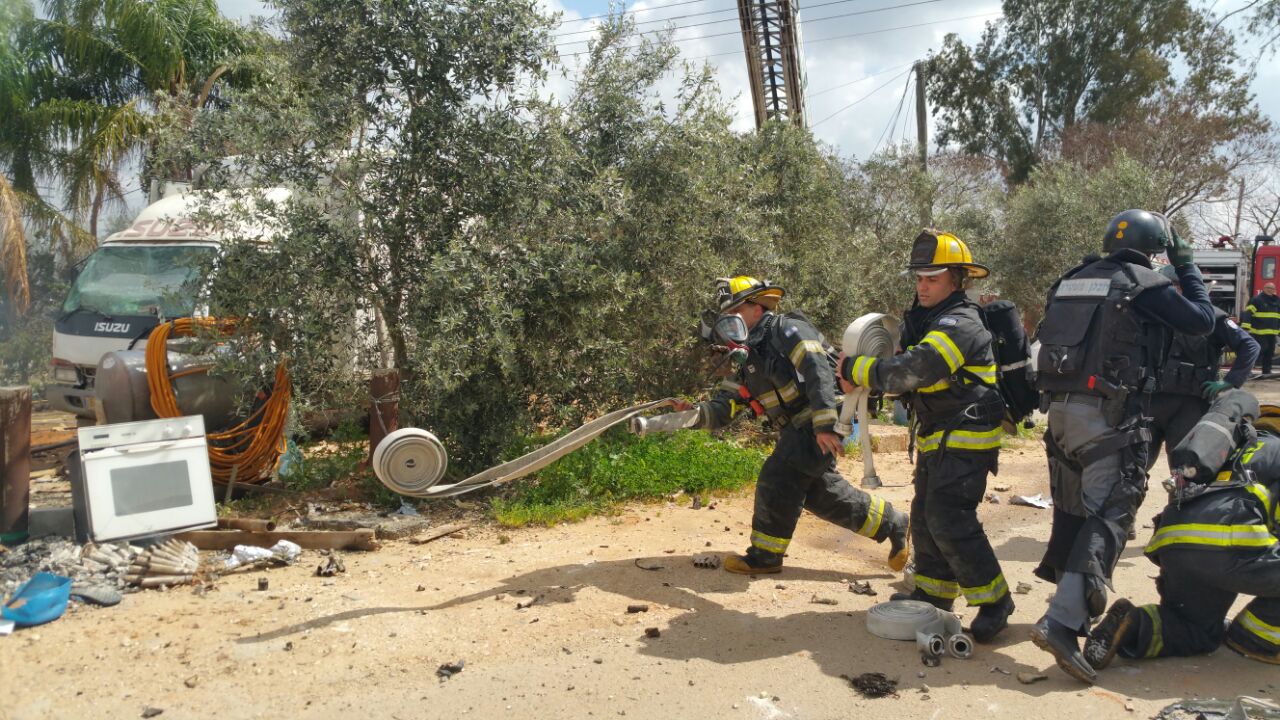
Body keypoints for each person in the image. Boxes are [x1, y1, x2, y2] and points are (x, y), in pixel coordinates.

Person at [1031, 209, 1216, 683]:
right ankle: (1063, 620)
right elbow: (1200, 321)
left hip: (1059, 417)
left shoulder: (1072, 279)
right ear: (1155, 251)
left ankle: (1061, 592)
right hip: (1106, 420)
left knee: (1073, 510)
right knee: (1111, 514)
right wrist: (1188, 264)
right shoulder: (1142, 282)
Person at [837, 230, 1014, 643]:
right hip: (940, 435)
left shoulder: (960, 323)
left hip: (967, 437)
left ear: (957, 279)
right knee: (925, 516)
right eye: (919, 278)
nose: (922, 286)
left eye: (932, 279)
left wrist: (853, 370)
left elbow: (912, 371)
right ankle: (934, 595)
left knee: (949, 517)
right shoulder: (929, 320)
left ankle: (995, 601)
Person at [677, 276, 910, 575]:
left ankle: (765, 557)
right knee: (821, 494)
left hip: (823, 415)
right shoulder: (748, 357)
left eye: (734, 312)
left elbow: (816, 370)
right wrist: (692, 413)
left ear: (757, 308)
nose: (727, 321)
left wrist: (824, 424)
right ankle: (894, 523)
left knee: (778, 476)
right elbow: (725, 408)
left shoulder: (787, 329)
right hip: (798, 428)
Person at [1084, 390, 1280, 670]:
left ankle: (1132, 625)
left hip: (1176, 545)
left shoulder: (1225, 448)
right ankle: (1255, 639)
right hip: (1227, 547)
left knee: (1197, 630)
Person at [1147, 264, 1259, 470]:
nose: (1171, 291)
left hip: (1190, 406)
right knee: (1130, 470)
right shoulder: (1152, 316)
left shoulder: (1213, 318)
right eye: (1168, 286)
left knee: (1185, 473)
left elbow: (1250, 346)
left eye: (1175, 285)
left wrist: (1229, 382)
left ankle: (1181, 503)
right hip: (1150, 403)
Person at [1242, 283, 1280, 375]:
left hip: (1272, 332)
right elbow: (1248, 313)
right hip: (1258, 331)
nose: (1270, 290)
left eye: (1272, 288)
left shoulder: (1277, 301)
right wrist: (1246, 326)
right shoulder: (1256, 300)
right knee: (1260, 350)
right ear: (1264, 288)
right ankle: (1247, 370)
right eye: (1268, 288)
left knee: (1270, 352)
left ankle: (1266, 371)